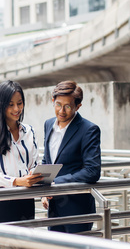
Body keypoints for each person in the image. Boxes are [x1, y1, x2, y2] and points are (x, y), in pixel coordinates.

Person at [41, 81, 101, 233]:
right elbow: (48, 161)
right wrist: (43, 189)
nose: (61, 111)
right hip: (54, 207)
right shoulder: (48, 125)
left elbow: (92, 171)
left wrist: (56, 183)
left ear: (78, 106)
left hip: (77, 209)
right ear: (52, 101)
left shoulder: (89, 130)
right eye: (58, 104)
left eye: (67, 106)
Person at [0, 80, 43, 223]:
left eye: (20, 103)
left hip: (27, 199)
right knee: (2, 244)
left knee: (26, 243)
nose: (16, 109)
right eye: (11, 105)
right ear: (1, 105)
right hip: (3, 200)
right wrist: (17, 181)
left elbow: (35, 163)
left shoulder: (29, 131)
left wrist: (33, 174)